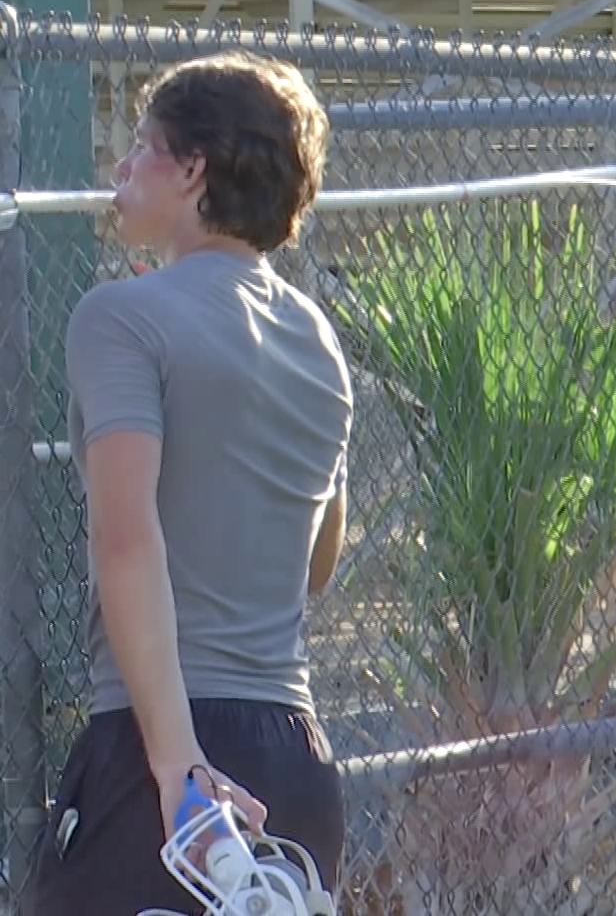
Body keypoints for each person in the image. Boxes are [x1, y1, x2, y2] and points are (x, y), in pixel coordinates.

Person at [21, 51, 354, 913]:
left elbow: (126, 538)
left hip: (166, 764)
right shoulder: (317, 338)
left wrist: (178, 769)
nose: (122, 168)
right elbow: (313, 564)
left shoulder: (121, 315)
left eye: (141, 144)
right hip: (297, 768)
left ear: (194, 168)